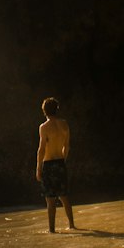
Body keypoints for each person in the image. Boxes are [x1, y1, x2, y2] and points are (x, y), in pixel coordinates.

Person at [36, 96, 75, 232]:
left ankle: (52, 230)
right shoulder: (64, 124)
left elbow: (41, 149)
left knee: (50, 200)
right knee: (64, 196)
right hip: (60, 162)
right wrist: (63, 160)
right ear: (56, 109)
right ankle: (72, 225)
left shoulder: (44, 127)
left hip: (48, 164)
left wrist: (38, 168)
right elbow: (67, 146)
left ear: (44, 111)